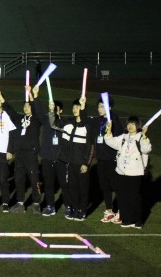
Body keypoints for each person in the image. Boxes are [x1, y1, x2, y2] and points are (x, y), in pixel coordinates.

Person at [51, 96, 95, 221]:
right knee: (72, 187)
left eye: (77, 107)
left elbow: (91, 147)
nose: (75, 109)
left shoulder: (88, 126)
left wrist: (86, 163)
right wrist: (51, 111)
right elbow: (53, 124)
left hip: (81, 163)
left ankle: (83, 210)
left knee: (83, 189)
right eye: (74, 107)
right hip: (70, 163)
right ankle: (76, 209)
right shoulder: (68, 123)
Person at [104, 116, 151, 229]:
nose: (130, 126)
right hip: (121, 172)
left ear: (138, 126)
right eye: (129, 124)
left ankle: (138, 220)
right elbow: (111, 142)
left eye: (133, 124)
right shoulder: (124, 137)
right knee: (122, 197)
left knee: (134, 197)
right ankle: (126, 219)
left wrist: (144, 136)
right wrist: (109, 132)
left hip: (135, 173)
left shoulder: (141, 137)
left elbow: (146, 149)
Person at [10, 85, 46, 214]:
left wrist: (33, 95)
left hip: (31, 154)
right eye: (24, 106)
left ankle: (36, 203)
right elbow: (10, 111)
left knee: (34, 179)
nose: (25, 108)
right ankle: (20, 203)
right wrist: (1, 98)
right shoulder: (20, 119)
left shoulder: (36, 120)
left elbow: (38, 110)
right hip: (19, 154)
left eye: (28, 106)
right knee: (19, 179)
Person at [89, 96, 124, 224]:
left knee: (116, 185)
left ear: (109, 108)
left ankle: (121, 210)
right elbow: (85, 121)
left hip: (111, 159)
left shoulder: (114, 119)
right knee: (104, 186)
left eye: (102, 107)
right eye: (99, 106)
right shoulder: (98, 120)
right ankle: (109, 210)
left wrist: (111, 128)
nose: (99, 109)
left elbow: (120, 137)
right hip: (101, 159)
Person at [39, 100, 66, 216]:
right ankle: (50, 206)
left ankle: (68, 206)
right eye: (52, 109)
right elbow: (38, 112)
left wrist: (51, 113)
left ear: (61, 111)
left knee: (64, 184)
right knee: (48, 184)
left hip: (60, 160)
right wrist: (35, 97)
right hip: (47, 158)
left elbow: (55, 124)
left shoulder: (65, 123)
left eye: (56, 110)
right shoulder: (46, 120)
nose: (54, 111)